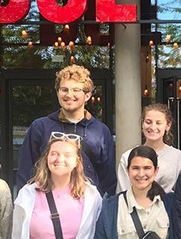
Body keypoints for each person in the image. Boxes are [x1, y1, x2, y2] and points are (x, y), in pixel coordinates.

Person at [16, 65, 116, 196]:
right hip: (47, 206)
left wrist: (103, 208)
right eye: (64, 90)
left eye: (76, 90)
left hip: (88, 208)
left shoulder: (101, 131)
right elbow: (26, 171)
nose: (69, 95)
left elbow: (107, 178)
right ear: (58, 93)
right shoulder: (40, 127)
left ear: (87, 95)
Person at [117, 103, 181, 193]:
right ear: (142, 124)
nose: (153, 127)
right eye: (148, 122)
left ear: (168, 126)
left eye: (158, 123)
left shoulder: (177, 157)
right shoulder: (127, 157)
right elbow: (122, 193)